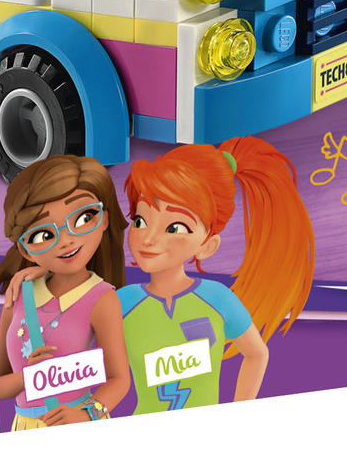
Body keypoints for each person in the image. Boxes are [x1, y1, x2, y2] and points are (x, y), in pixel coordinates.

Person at [119, 137, 314, 413]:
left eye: (175, 227)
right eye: (140, 221)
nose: (148, 239)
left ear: (207, 245)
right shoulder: (122, 302)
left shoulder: (216, 299)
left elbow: (257, 354)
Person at [0, 155, 131, 427]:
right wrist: (28, 376)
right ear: (25, 249)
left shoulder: (101, 298)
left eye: (84, 218)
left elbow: (119, 379)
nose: (66, 240)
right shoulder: (20, 294)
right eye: (43, 235)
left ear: (103, 219)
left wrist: (86, 414)